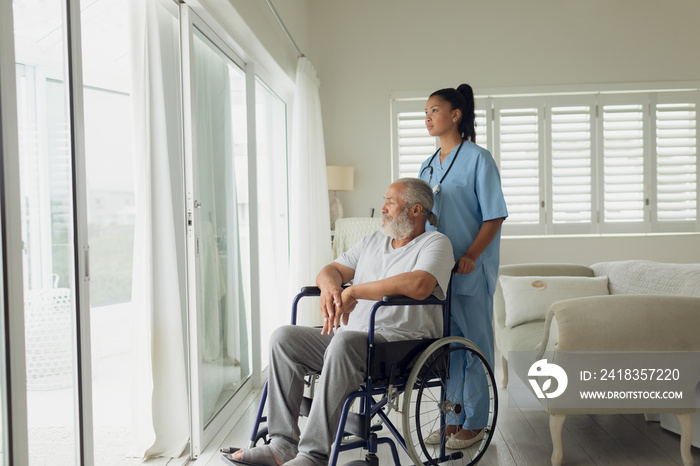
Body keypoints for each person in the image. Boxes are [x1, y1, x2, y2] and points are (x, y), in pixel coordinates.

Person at [226, 178, 454, 466]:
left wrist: (355, 290)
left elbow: (420, 284)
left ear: (415, 210)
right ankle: (281, 445)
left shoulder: (436, 243)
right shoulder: (374, 241)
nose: (383, 208)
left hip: (399, 344)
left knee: (344, 341)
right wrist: (333, 288)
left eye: (390, 202)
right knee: (283, 338)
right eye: (384, 200)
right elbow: (330, 269)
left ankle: (312, 455)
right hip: (351, 342)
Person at [419, 84, 508, 449]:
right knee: (449, 348)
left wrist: (471, 254)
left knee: (474, 346)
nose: (427, 118)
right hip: (439, 273)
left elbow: (494, 216)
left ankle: (476, 422)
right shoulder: (426, 166)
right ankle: (453, 417)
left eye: (434, 111)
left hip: (470, 271)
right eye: (425, 113)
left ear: (456, 115)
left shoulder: (478, 159)